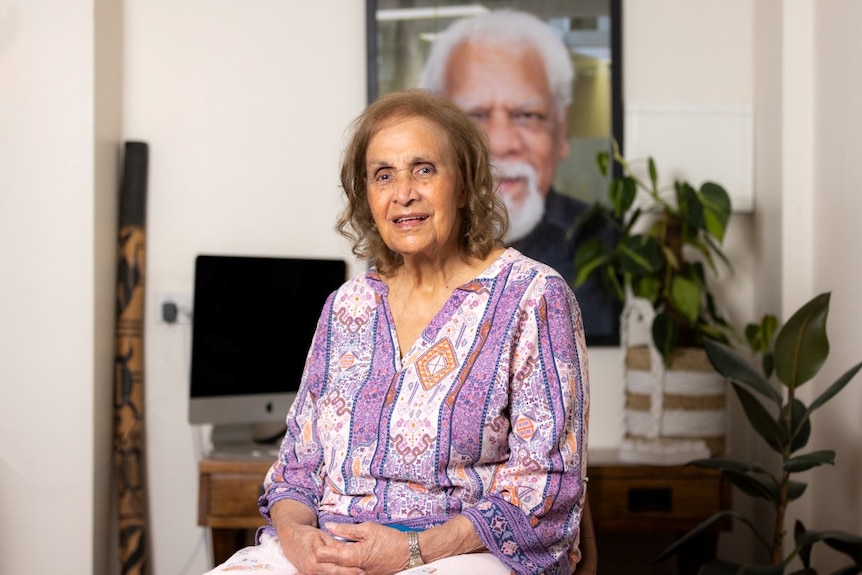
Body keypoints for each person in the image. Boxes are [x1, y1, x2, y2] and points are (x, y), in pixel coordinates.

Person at [204, 89, 589, 575]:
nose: (404, 192)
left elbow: (547, 485)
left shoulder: (533, 297)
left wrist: (412, 551)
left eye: (424, 169)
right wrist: (299, 542)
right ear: (367, 196)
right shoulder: (347, 306)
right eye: (384, 175)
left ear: (466, 183)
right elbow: (295, 471)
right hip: (330, 549)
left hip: (459, 554)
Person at [419, 9, 620, 344]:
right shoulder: (408, 242)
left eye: (527, 115)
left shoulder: (604, 242)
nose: (501, 143)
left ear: (561, 132)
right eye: (475, 117)